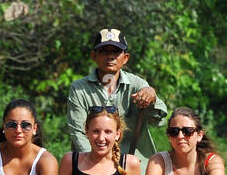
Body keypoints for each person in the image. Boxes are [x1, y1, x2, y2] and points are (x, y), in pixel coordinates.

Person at [66, 28, 168, 164]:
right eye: (104, 51)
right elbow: (78, 134)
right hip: (91, 166)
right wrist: (101, 166)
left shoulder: (137, 84)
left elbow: (158, 121)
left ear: (125, 58)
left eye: (116, 52)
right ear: (93, 56)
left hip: (135, 166)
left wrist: (152, 97)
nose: (110, 56)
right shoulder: (79, 89)